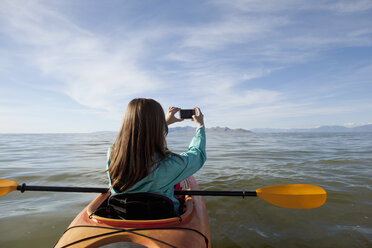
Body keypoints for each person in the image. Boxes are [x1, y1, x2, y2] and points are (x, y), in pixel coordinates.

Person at [106, 98, 206, 212]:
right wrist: (200, 126)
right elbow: (198, 155)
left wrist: (165, 122)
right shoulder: (170, 164)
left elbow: (136, 137)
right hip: (164, 219)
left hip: (122, 217)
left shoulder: (112, 154)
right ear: (157, 124)